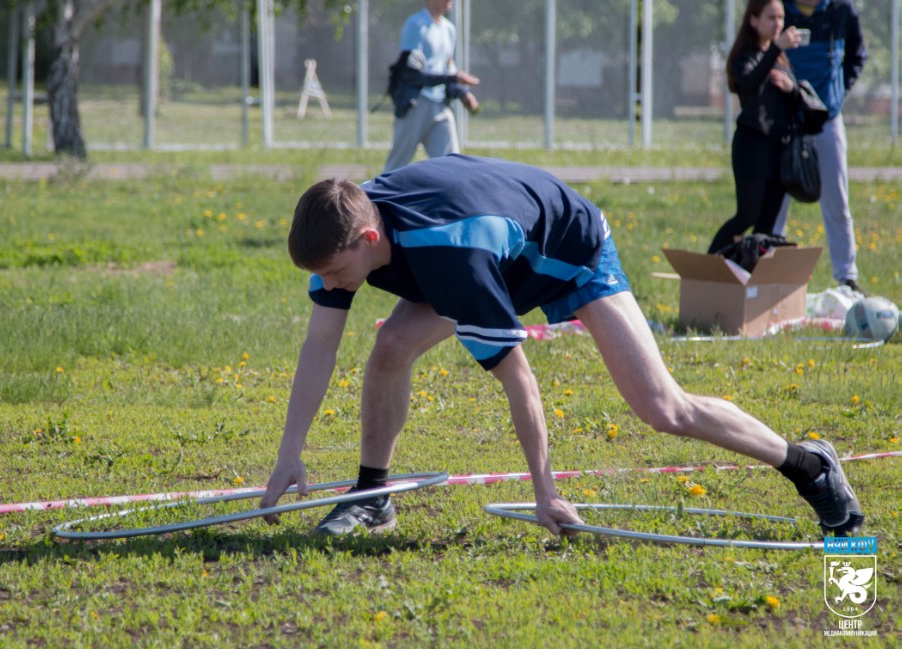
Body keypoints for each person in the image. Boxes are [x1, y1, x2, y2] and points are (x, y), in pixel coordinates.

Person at [259, 154, 864, 540]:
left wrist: (544, 491)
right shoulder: (346, 227)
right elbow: (319, 345)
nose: (329, 283)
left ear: (369, 239)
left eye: (335, 272)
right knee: (391, 346)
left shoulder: (454, 258)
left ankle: (809, 465)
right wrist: (289, 451)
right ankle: (372, 495)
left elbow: (519, 378)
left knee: (662, 407)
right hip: (483, 243)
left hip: (572, 250)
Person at [773, 0, 868, 293]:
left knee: (837, 200)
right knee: (775, 201)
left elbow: (857, 55)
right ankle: (771, 275)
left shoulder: (841, 9)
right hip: (787, 118)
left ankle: (847, 277)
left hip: (827, 117)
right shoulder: (780, 9)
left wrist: (837, 92)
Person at [708, 0, 802, 256]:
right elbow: (748, 83)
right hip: (752, 147)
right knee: (747, 215)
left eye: (781, 18)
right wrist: (776, 48)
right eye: (771, 18)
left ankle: (750, 273)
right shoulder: (745, 55)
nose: (778, 24)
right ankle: (708, 266)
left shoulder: (780, 57)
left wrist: (792, 89)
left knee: (767, 224)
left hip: (779, 150)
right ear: (753, 20)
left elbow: (794, 102)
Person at [382, 0, 480, 173]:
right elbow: (412, 74)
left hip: (440, 107)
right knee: (396, 169)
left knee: (452, 166)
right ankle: (373, 192)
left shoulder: (449, 29)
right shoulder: (415, 24)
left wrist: (462, 93)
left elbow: (447, 69)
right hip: (415, 106)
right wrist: (453, 77)